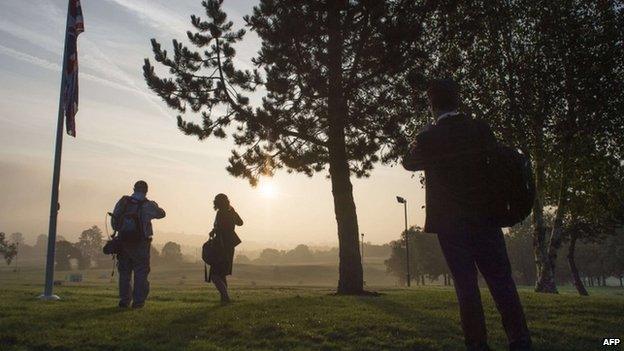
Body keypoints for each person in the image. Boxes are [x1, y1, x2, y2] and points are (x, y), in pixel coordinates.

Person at [402, 79, 532, 351]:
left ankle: (477, 344)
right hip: (486, 218)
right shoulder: (480, 128)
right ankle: (519, 341)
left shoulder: (430, 137)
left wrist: (423, 134)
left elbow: (408, 163)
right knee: (502, 281)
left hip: (451, 224)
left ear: (432, 104)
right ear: (457, 100)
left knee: (466, 286)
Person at [112, 180, 165, 308]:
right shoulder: (148, 205)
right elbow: (162, 214)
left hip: (123, 241)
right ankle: (138, 302)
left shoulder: (123, 201)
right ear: (146, 191)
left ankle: (124, 300)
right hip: (141, 243)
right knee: (141, 272)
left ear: (134, 189)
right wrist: (155, 205)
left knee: (124, 273)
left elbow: (114, 221)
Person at [208, 193, 243, 304]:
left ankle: (226, 297)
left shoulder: (220, 213)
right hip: (229, 246)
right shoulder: (231, 212)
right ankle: (224, 299)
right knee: (222, 274)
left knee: (214, 275)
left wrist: (214, 231)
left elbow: (219, 228)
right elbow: (240, 223)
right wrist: (233, 212)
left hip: (220, 246)